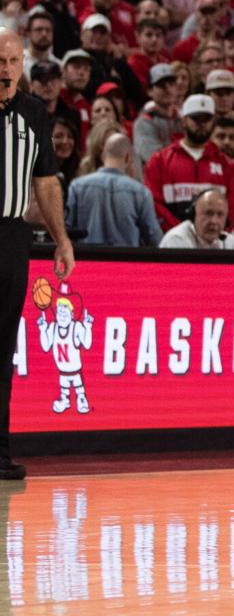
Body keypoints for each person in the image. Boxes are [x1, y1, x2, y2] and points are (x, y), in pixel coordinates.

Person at [0, 29, 71, 480]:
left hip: (11, 236)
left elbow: (45, 181)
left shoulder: (33, 114)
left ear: (22, 64)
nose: (4, 70)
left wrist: (61, 238)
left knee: (3, 348)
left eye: (11, 61)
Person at [143, 94, 234, 231]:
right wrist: (182, 234)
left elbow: (233, 208)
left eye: (206, 119)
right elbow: (154, 204)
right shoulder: (159, 161)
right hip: (172, 240)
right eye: (196, 119)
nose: (201, 124)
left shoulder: (227, 165)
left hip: (214, 240)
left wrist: (212, 234)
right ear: (184, 120)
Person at [66, 132, 161, 247]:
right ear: (128, 157)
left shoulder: (77, 186)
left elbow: (67, 230)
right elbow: (153, 237)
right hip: (126, 258)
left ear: (103, 156)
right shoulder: (141, 192)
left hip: (87, 257)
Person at [159, 187, 234, 249]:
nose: (214, 221)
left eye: (220, 214)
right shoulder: (176, 240)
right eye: (208, 213)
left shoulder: (232, 244)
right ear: (194, 215)